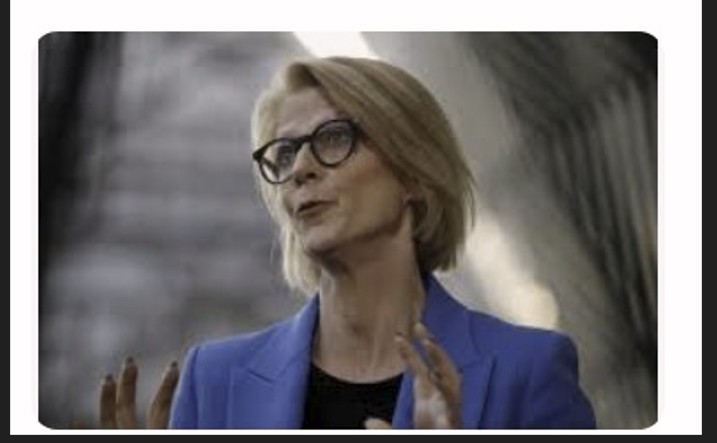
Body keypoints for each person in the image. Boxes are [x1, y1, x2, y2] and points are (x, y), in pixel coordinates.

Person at [97, 55, 596, 430]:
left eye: (334, 137)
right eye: (284, 153)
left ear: (413, 173)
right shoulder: (215, 380)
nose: (300, 168)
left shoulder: (528, 370)